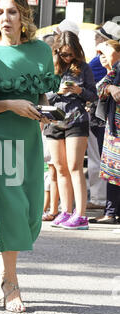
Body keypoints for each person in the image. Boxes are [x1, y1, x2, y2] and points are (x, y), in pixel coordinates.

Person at [0, 0, 60, 313]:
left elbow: (41, 94)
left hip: (32, 140)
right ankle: (11, 284)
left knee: (32, 215)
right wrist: (11, 104)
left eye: (11, 11)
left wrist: (43, 111)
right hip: (0, 141)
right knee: (11, 211)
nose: (5, 18)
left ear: (24, 15)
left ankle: (2, 259)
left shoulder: (39, 51)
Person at [44, 31, 97, 229]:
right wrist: (57, 92)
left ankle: (81, 215)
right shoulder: (52, 68)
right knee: (60, 168)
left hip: (76, 119)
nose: (68, 58)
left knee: (75, 167)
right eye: (64, 54)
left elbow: (94, 96)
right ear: (57, 51)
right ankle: (66, 211)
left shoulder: (84, 68)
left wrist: (79, 91)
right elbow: (42, 96)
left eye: (71, 54)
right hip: (54, 119)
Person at [87, 22, 120, 209]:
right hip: (110, 124)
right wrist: (110, 86)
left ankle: (108, 206)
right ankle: (110, 208)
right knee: (110, 167)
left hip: (109, 125)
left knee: (108, 165)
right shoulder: (112, 69)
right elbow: (100, 87)